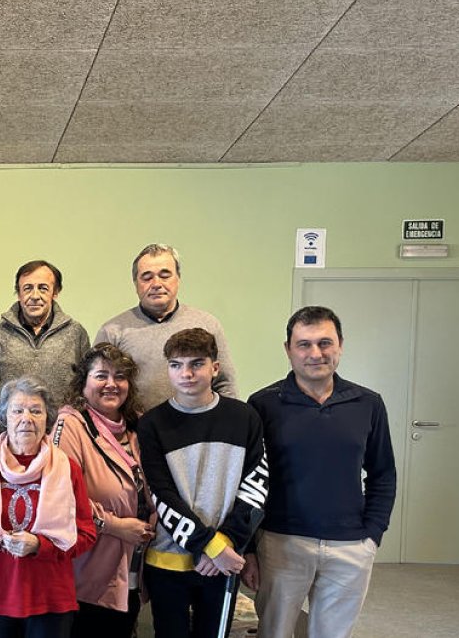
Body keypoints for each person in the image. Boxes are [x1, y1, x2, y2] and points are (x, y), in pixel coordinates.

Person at [243, 306, 396, 638]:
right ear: (288, 350)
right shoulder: (263, 405)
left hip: (350, 545)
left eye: (325, 343)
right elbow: (247, 481)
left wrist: (371, 535)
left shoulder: (368, 404)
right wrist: (251, 548)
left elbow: (382, 472)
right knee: (275, 633)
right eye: (304, 344)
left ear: (340, 345)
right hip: (282, 543)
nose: (316, 353)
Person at [137, 329, 267, 638]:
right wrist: (208, 544)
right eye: (176, 365)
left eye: (197, 363)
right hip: (168, 560)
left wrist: (226, 543)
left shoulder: (245, 417)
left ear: (215, 368)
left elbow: (256, 485)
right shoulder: (152, 424)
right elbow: (160, 493)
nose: (186, 373)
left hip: (224, 559)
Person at [0, 376, 97, 637]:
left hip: (50, 601)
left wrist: (42, 546)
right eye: (17, 410)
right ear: (4, 416)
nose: (26, 418)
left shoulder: (67, 468)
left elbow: (85, 534)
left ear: (47, 420)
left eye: (36, 411)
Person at [52, 343, 154, 637]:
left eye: (120, 376)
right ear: (83, 383)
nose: (111, 384)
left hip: (133, 568)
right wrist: (116, 526)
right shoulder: (71, 424)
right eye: (101, 376)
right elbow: (63, 498)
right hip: (90, 571)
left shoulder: (135, 426)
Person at [94, 243, 238, 409]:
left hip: (200, 428)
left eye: (165, 275)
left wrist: (229, 423)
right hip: (135, 431)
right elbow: (98, 391)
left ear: (178, 279)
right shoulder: (113, 331)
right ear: (135, 283)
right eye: (147, 277)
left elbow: (225, 385)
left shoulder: (207, 324)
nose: (156, 283)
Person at [0, 260, 90, 407]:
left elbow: (85, 388)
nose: (35, 296)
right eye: (27, 288)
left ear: (55, 292)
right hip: (7, 428)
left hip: (61, 428)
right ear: (19, 294)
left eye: (43, 288)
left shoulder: (76, 333)